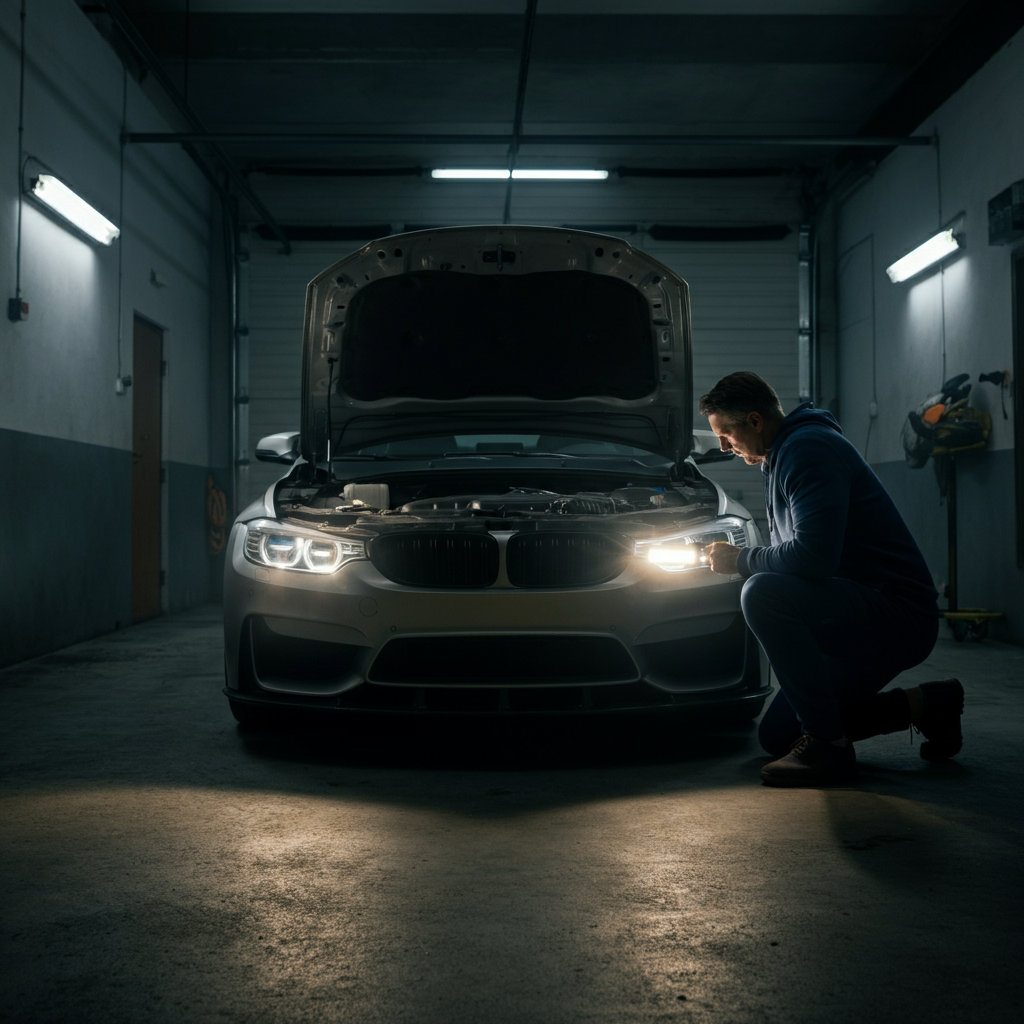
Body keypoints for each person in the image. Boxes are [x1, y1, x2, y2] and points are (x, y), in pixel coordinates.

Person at [698, 371, 963, 787]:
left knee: (761, 591)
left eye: (726, 433)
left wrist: (741, 559)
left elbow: (812, 558)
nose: (723, 446)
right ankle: (929, 704)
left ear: (754, 421)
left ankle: (828, 746)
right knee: (779, 736)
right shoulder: (783, 454)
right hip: (850, 611)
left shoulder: (808, 449)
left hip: (896, 614)